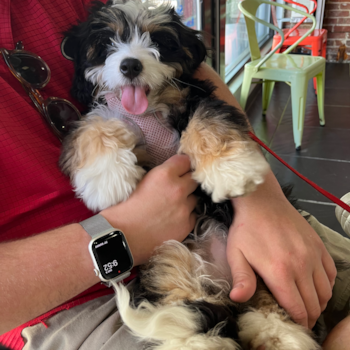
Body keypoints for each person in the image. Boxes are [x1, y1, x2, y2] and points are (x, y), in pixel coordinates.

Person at [0, 0, 349, 349]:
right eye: (111, 46)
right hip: (71, 300)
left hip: (226, 218)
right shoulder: (100, 123)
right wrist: (124, 234)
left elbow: (201, 85)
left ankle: (270, 315)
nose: (131, 56)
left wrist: (261, 201)